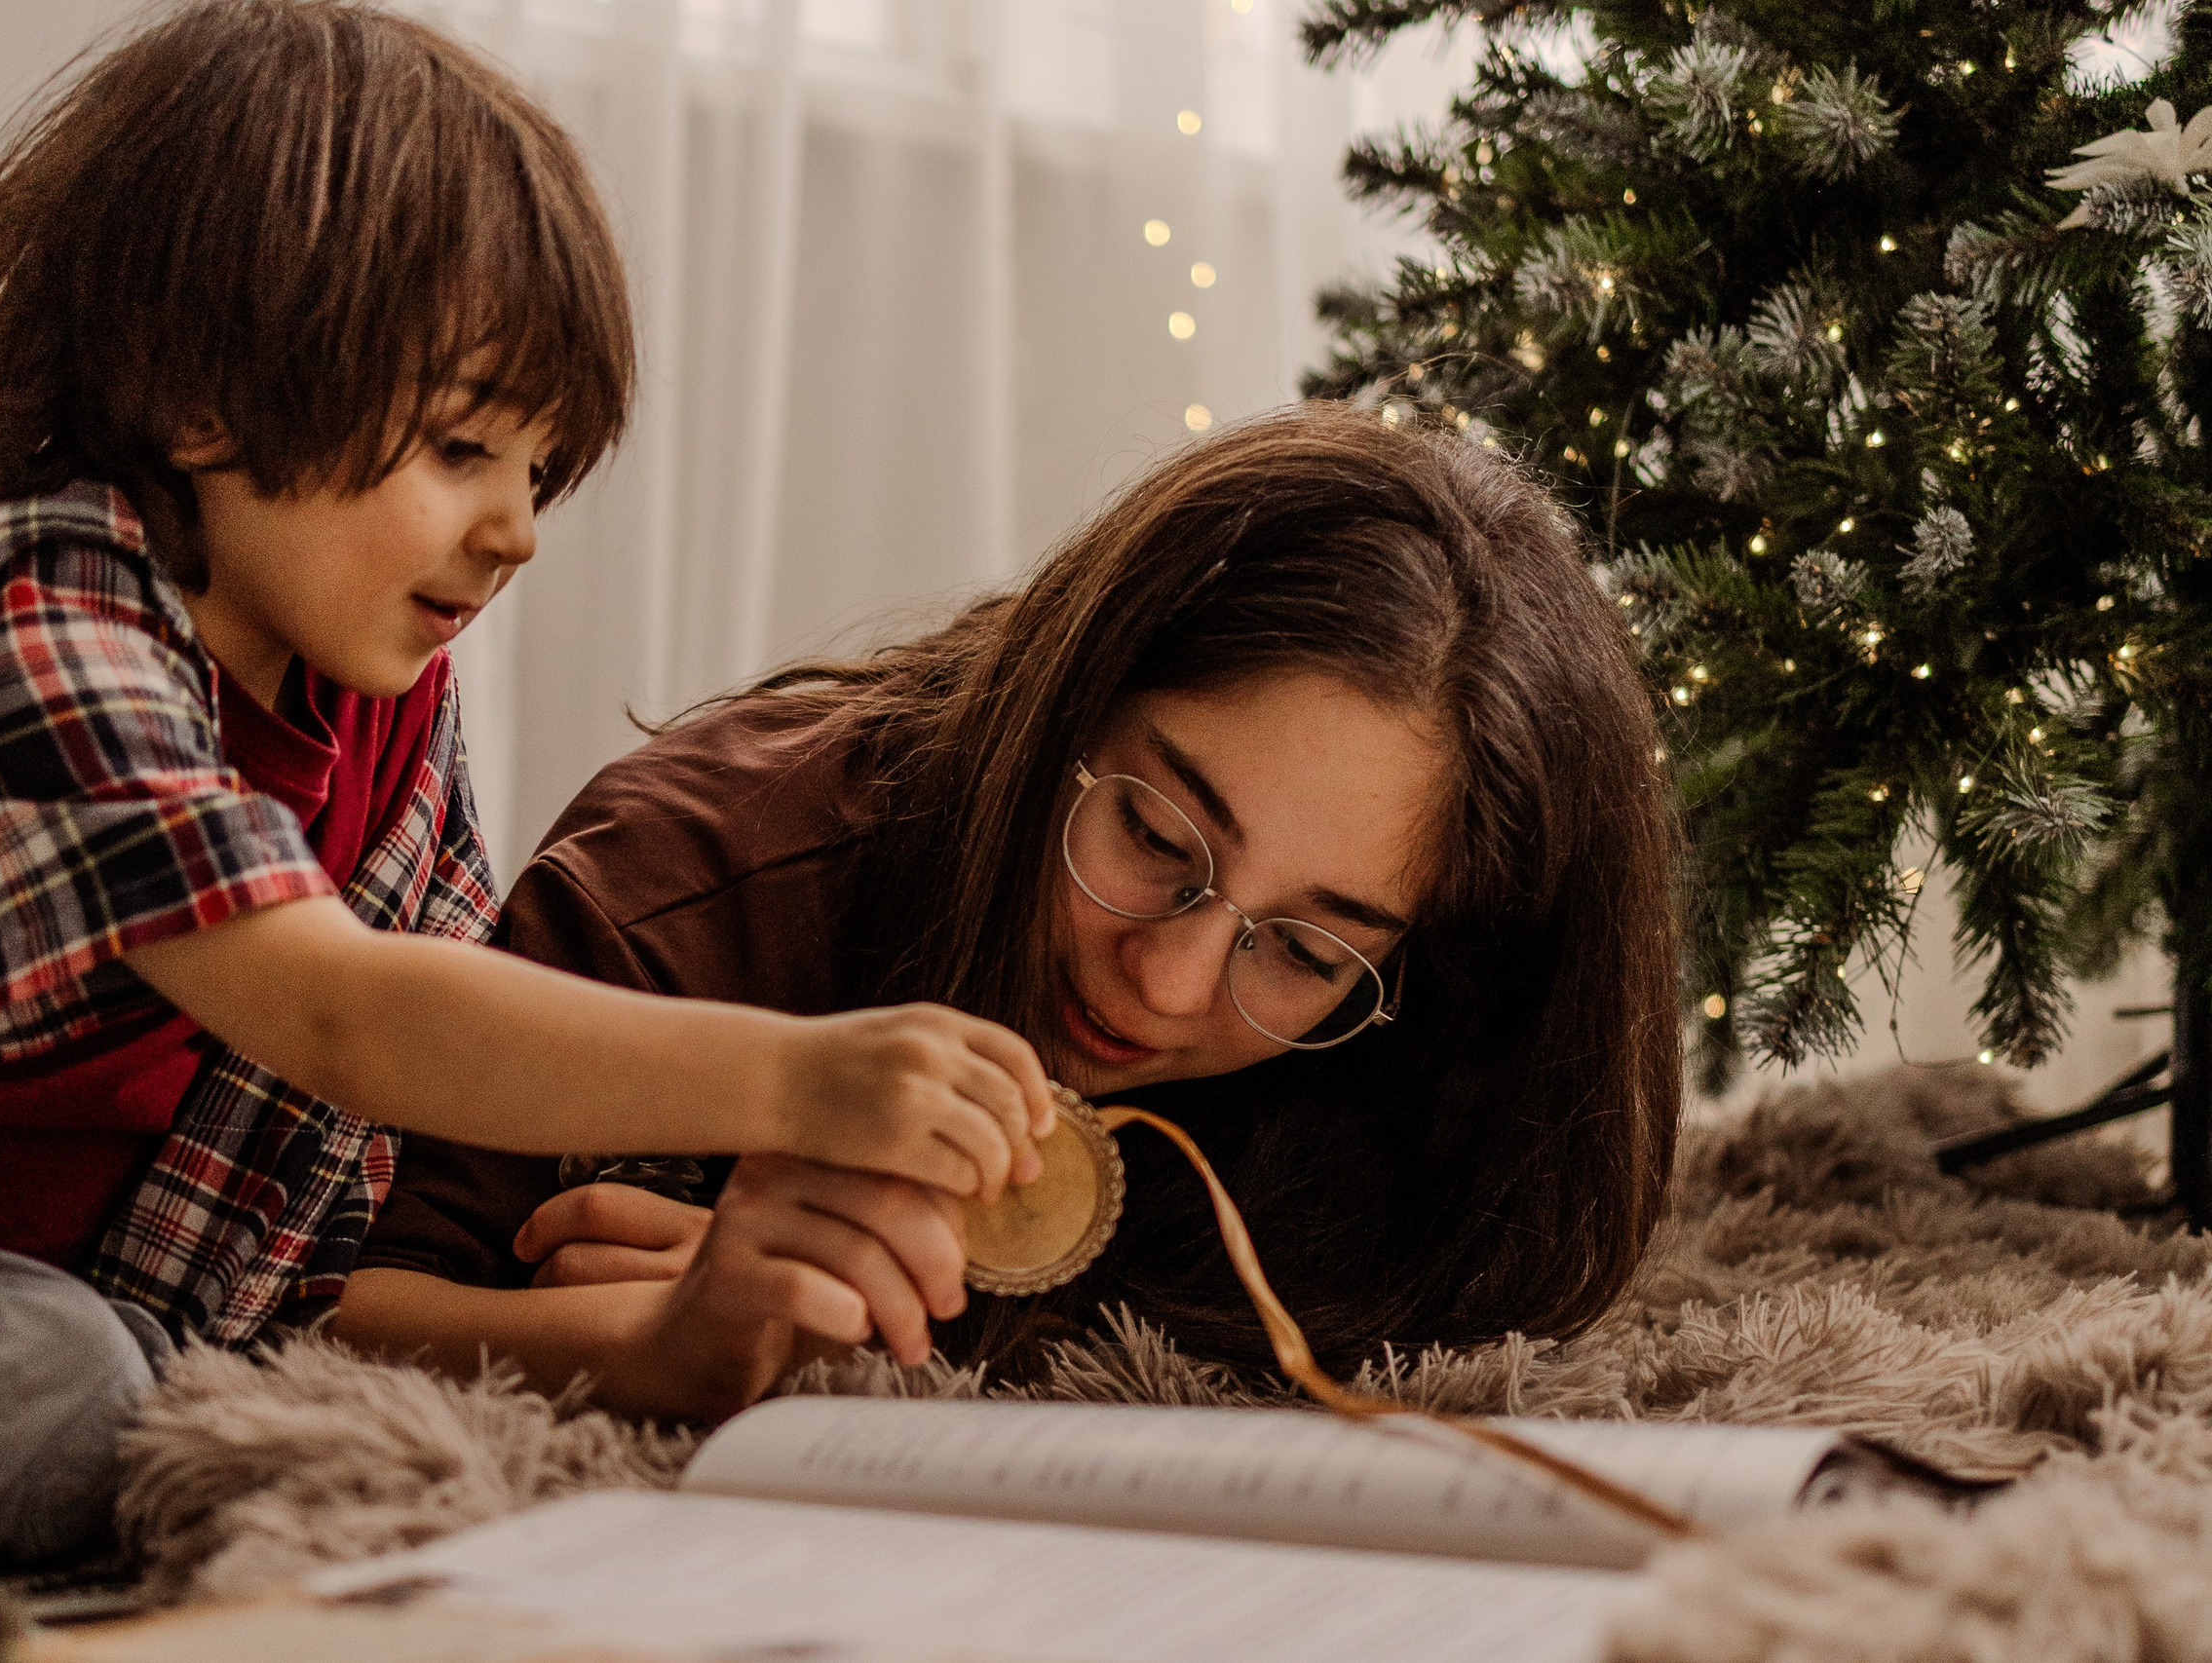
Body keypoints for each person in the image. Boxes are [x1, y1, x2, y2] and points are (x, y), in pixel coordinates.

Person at [0, 0, 1049, 1563]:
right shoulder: (33, 644)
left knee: (124, 1379)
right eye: (462, 449)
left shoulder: (383, 720)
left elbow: (295, 1296)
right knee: (65, 1387)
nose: (518, 530)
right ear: (203, 397)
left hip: (31, 1311)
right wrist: (798, 1078)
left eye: (540, 469)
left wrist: (668, 1340)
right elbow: (351, 1017)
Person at [336, 403, 1684, 1422]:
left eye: (1303, 950)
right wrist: (667, 1343)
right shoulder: (698, 881)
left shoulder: (1412, 1059)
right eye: (1155, 837)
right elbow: (325, 1312)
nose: (1169, 982)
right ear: (1061, 699)